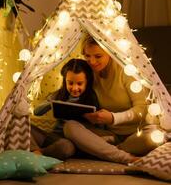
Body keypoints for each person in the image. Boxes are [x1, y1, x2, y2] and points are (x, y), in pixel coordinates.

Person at [63, 35, 157, 164]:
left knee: (152, 138)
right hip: (110, 135)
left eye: (98, 56)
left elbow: (142, 108)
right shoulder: (88, 72)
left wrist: (113, 118)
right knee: (70, 127)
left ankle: (103, 151)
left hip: (136, 134)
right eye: (87, 56)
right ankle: (119, 154)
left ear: (110, 52)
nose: (92, 61)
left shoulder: (127, 70)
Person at [31, 58, 99, 160]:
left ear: (87, 82)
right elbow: (37, 112)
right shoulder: (60, 94)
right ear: (65, 81)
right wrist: (52, 103)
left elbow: (99, 127)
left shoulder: (92, 98)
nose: (75, 88)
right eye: (70, 83)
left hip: (71, 143)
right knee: (24, 125)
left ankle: (39, 152)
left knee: (66, 147)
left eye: (79, 84)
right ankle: (36, 150)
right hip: (53, 137)